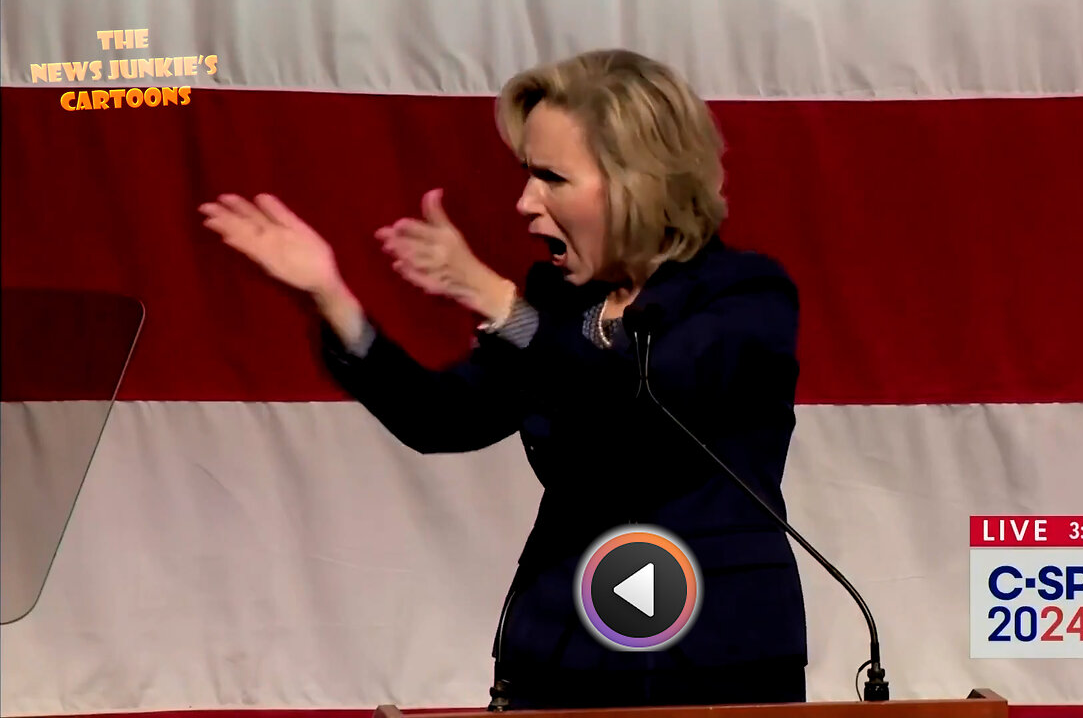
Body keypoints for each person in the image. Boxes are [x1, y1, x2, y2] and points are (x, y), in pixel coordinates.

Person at [199, 48, 806, 709]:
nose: (524, 203)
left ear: (640, 179)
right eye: (526, 175)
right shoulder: (556, 308)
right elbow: (441, 418)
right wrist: (330, 299)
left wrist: (493, 298)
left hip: (713, 656)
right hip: (561, 646)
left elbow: (639, 398)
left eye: (552, 177)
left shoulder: (744, 297)